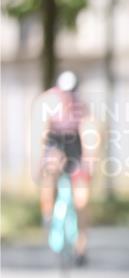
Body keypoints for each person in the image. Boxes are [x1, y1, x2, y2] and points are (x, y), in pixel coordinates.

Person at [39, 70, 90, 265]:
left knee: (82, 199)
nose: (69, 96)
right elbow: (43, 133)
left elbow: (87, 132)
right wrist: (49, 155)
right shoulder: (50, 103)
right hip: (55, 141)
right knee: (50, 172)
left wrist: (87, 161)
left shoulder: (81, 106)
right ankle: (47, 212)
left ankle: (81, 248)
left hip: (74, 143)